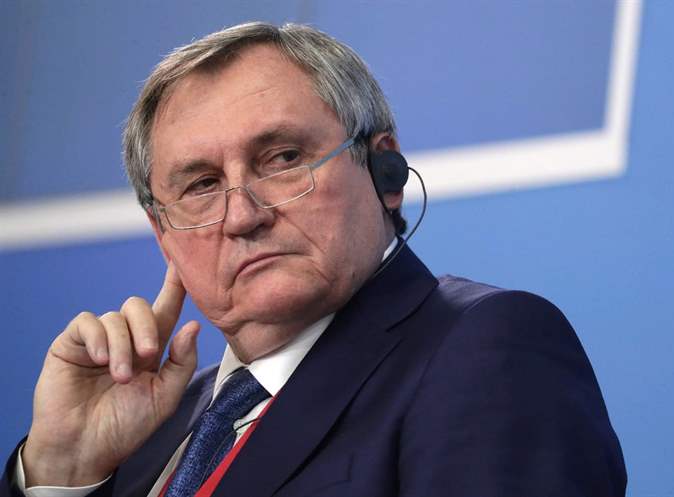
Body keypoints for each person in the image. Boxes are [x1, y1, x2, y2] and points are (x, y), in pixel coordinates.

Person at [1, 22, 626, 497]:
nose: (242, 215)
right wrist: (62, 473)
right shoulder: (144, 431)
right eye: (201, 186)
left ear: (383, 169)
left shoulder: (482, 350)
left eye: (282, 159)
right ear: (163, 234)